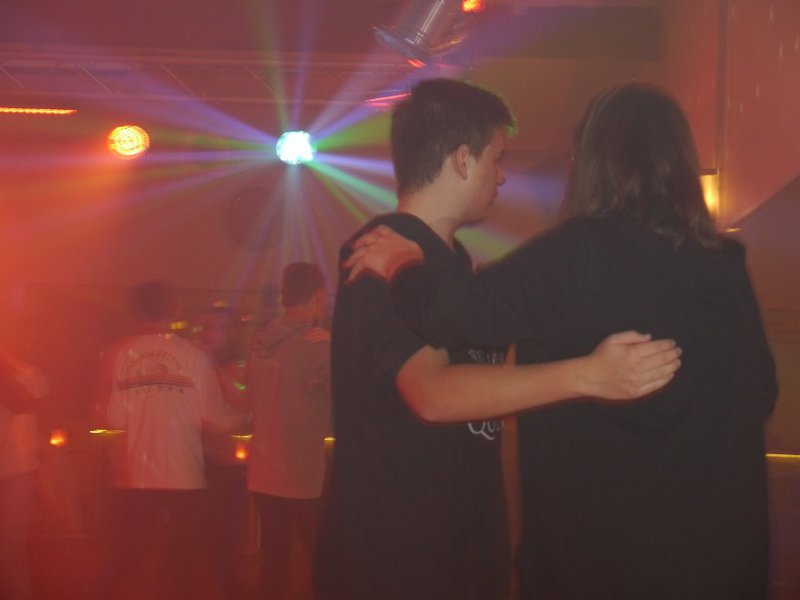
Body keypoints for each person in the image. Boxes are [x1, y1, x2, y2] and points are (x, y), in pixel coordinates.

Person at [346, 82, 779, 599]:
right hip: (721, 561)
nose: (503, 175)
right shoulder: (725, 267)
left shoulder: (582, 252)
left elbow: (462, 316)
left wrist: (401, 264)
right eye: (498, 159)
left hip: (603, 562)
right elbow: (762, 393)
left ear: (596, 161)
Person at [94, 280, 247, 599]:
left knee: (126, 557)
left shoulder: (119, 355)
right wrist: (244, 415)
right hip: (183, 474)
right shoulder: (194, 357)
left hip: (137, 473)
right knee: (181, 563)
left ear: (137, 311)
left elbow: (113, 419)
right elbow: (215, 417)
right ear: (175, 309)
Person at [246, 262, 332, 600]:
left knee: (273, 561)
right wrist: (339, 347)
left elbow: (250, 394)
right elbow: (352, 395)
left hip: (262, 471)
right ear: (318, 294)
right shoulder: (316, 344)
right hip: (300, 473)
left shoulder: (261, 340)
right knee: (322, 560)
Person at [193, 304, 250, 600]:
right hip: (195, 463)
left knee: (227, 538)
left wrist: (213, 369)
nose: (213, 334)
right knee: (198, 540)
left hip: (229, 466)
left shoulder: (241, 365)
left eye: (220, 327)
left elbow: (245, 403)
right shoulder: (194, 363)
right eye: (207, 327)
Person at [0, 345, 49, 600]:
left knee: (11, 553)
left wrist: (8, 358)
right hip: (16, 472)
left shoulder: (22, 377)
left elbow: (41, 388)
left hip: (17, 474)